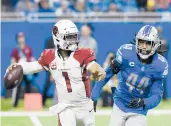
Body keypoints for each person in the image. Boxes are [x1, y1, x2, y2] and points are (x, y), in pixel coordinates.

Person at [7, 20, 106, 126]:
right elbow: (34, 66)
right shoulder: (49, 56)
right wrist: (19, 66)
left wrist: (98, 71)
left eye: (75, 36)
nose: (74, 40)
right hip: (65, 107)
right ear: (58, 37)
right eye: (69, 37)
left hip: (85, 107)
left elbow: (94, 66)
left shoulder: (83, 53)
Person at [91, 25, 168, 126]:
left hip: (138, 110)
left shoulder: (159, 65)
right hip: (120, 104)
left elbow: (157, 95)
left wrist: (144, 102)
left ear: (155, 44)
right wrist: (94, 96)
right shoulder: (127, 54)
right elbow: (106, 74)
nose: (144, 46)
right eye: (141, 42)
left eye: (148, 43)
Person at [11, 32, 35, 107]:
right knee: (18, 87)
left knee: (29, 86)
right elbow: (13, 60)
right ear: (17, 39)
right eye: (19, 38)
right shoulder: (16, 50)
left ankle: (29, 104)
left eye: (22, 37)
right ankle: (15, 104)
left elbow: (31, 58)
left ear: (24, 38)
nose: (21, 39)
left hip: (27, 70)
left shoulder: (28, 48)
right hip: (19, 71)